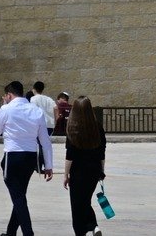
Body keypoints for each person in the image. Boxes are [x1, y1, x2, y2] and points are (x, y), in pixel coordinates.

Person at [0, 80, 54, 236]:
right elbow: (45, 141)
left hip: (12, 156)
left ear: (9, 95)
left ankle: (28, 233)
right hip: (30, 157)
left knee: (18, 198)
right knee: (19, 196)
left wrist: (2, 109)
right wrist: (48, 165)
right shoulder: (36, 110)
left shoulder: (6, 109)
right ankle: (10, 232)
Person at [62, 95, 107, 236]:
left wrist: (65, 175)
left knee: (77, 205)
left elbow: (70, 156)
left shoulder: (72, 127)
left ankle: (82, 231)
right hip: (94, 170)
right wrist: (101, 171)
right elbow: (102, 152)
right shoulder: (97, 127)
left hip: (78, 172)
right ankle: (93, 226)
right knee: (85, 201)